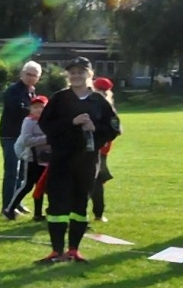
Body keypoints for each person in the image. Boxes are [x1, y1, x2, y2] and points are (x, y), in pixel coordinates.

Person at [35, 57, 121, 264]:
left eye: (81, 72)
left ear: (90, 75)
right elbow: (46, 125)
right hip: (62, 159)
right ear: (68, 75)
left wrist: (95, 129)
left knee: (80, 205)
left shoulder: (99, 101)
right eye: (72, 72)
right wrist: (71, 122)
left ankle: (74, 250)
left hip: (87, 161)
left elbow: (114, 128)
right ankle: (56, 250)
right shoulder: (59, 98)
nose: (76, 76)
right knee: (57, 205)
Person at [0, 61, 41, 219]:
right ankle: (7, 206)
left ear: (38, 78)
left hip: (24, 137)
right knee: (12, 172)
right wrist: (36, 113)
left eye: (34, 75)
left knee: (23, 173)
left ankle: (17, 203)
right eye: (28, 74)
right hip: (11, 135)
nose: (31, 77)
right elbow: (16, 110)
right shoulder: (13, 91)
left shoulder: (32, 92)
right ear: (22, 74)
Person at [7, 96, 51, 220]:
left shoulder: (48, 121)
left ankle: (38, 214)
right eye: (36, 107)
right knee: (27, 185)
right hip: (32, 158)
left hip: (46, 159)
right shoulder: (29, 121)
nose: (39, 110)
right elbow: (27, 140)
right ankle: (10, 209)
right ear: (30, 109)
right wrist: (47, 139)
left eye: (42, 107)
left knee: (41, 186)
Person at [90, 77, 117, 221]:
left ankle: (98, 213)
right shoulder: (93, 105)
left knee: (97, 182)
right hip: (91, 150)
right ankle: (95, 214)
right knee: (91, 182)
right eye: (100, 90)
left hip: (101, 151)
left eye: (104, 90)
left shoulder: (107, 107)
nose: (102, 93)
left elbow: (114, 130)